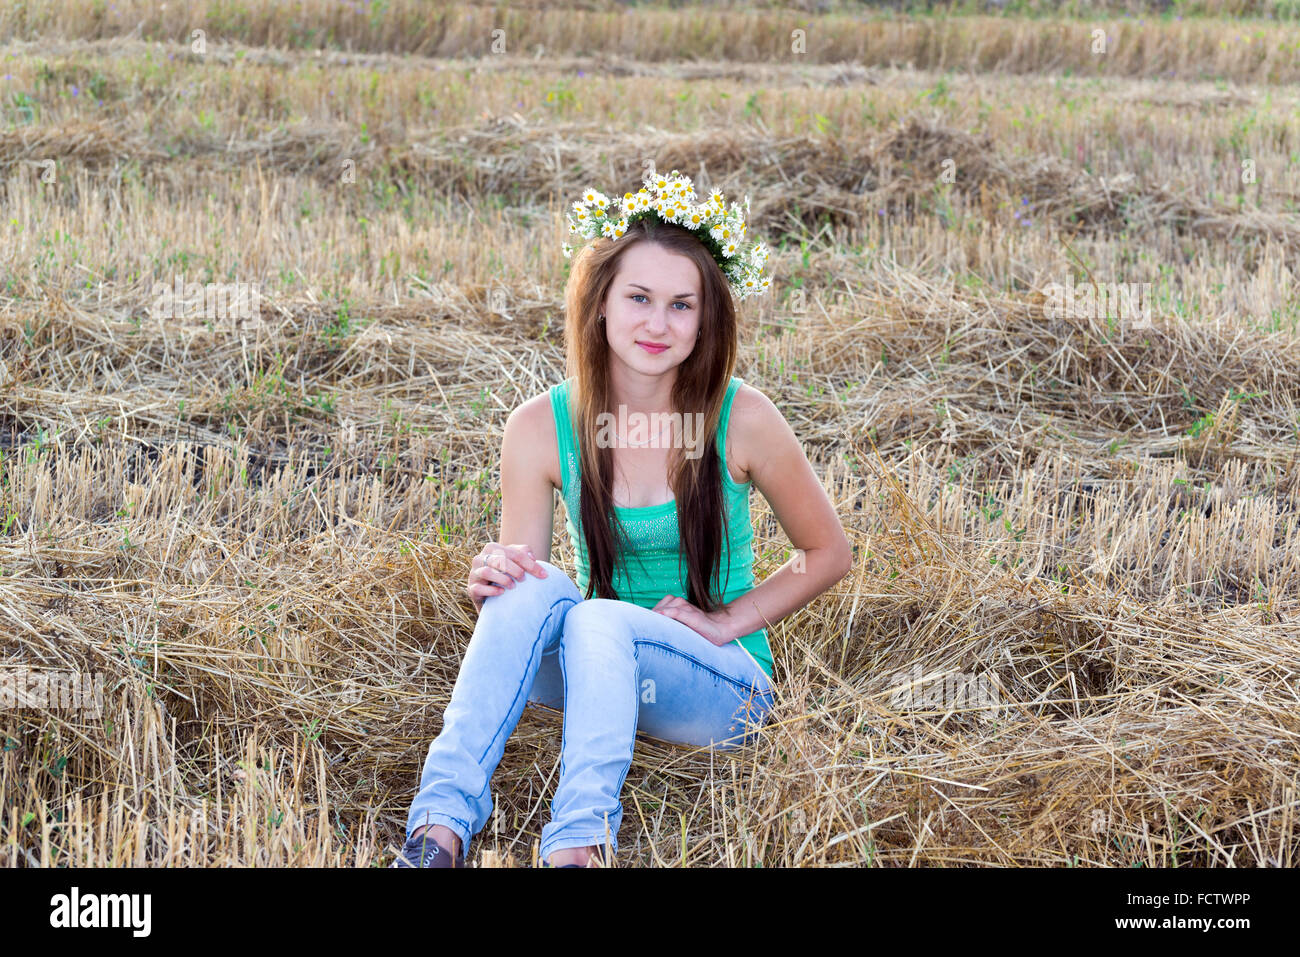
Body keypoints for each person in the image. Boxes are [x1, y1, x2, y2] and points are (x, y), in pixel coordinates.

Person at [393, 173, 852, 868]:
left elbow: (826, 552)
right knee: (537, 587)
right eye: (638, 298)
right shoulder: (538, 426)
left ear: (705, 319)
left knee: (598, 615)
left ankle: (577, 845)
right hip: (594, 665)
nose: (657, 324)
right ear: (600, 304)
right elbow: (531, 586)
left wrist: (730, 621)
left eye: (680, 305)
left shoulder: (743, 417)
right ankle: (437, 832)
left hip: (715, 687)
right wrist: (496, 576)